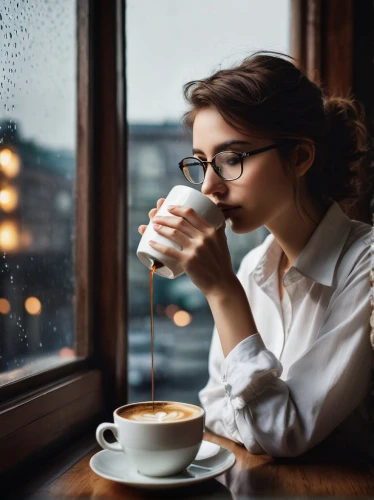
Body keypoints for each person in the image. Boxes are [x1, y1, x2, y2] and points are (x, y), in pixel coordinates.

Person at [138, 52, 374, 457]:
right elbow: (214, 407)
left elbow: (283, 433)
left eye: (231, 159)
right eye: (201, 163)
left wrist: (222, 292)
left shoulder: (364, 265)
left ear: (299, 156)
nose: (209, 186)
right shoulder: (253, 267)